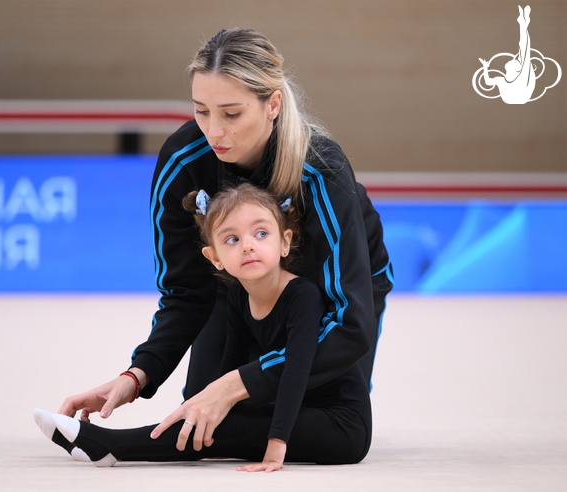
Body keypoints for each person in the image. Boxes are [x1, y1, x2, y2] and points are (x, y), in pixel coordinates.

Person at [58, 28, 393, 453]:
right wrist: (138, 375)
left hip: (332, 293)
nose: (213, 131)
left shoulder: (320, 169)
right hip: (234, 286)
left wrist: (238, 382)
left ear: (272, 104)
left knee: (338, 424)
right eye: (201, 111)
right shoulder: (184, 160)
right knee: (203, 408)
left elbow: (350, 324)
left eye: (231, 114)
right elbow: (186, 292)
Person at [36, 183, 371, 470]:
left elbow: (297, 371)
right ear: (214, 258)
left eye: (261, 233)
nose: (248, 245)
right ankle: (108, 444)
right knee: (211, 420)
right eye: (232, 239)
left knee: (224, 430)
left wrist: (276, 444)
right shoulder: (239, 296)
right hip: (293, 407)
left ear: (284, 242)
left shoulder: (302, 295)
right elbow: (231, 368)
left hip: (340, 424)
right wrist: (215, 407)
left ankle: (110, 444)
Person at [479, 5, 535, 104]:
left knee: (524, 51)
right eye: (515, 60)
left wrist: (485, 67)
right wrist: (485, 67)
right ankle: (523, 23)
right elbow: (488, 82)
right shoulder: (504, 80)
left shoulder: (513, 79)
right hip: (518, 97)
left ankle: (523, 23)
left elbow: (524, 49)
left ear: (516, 69)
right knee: (524, 52)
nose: (511, 59)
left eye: (514, 61)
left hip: (518, 96)